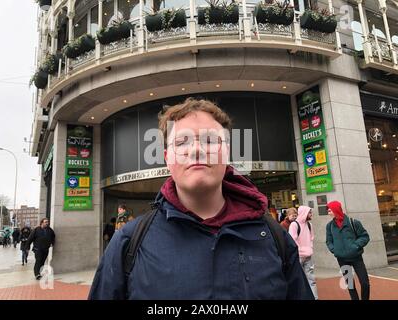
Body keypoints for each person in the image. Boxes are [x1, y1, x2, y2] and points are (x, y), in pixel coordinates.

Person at [89, 98, 314, 300]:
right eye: (181, 142)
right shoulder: (128, 243)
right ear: (167, 159)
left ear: (226, 152)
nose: (196, 149)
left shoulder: (276, 239)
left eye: (209, 140)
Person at [326, 201, 370, 300]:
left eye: (330, 210)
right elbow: (329, 241)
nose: (328, 213)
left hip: (356, 257)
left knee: (365, 282)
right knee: (350, 284)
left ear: (335, 210)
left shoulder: (353, 222)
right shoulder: (329, 226)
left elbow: (364, 236)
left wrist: (355, 246)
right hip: (342, 259)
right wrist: (335, 250)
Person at [289, 206, 318, 300]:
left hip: (308, 256)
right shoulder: (294, 225)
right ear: (304, 213)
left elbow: (311, 238)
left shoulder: (310, 225)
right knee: (300, 281)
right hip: (299, 257)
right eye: (309, 213)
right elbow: (292, 241)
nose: (311, 214)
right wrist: (300, 251)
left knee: (311, 280)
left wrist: (310, 248)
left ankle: (315, 298)